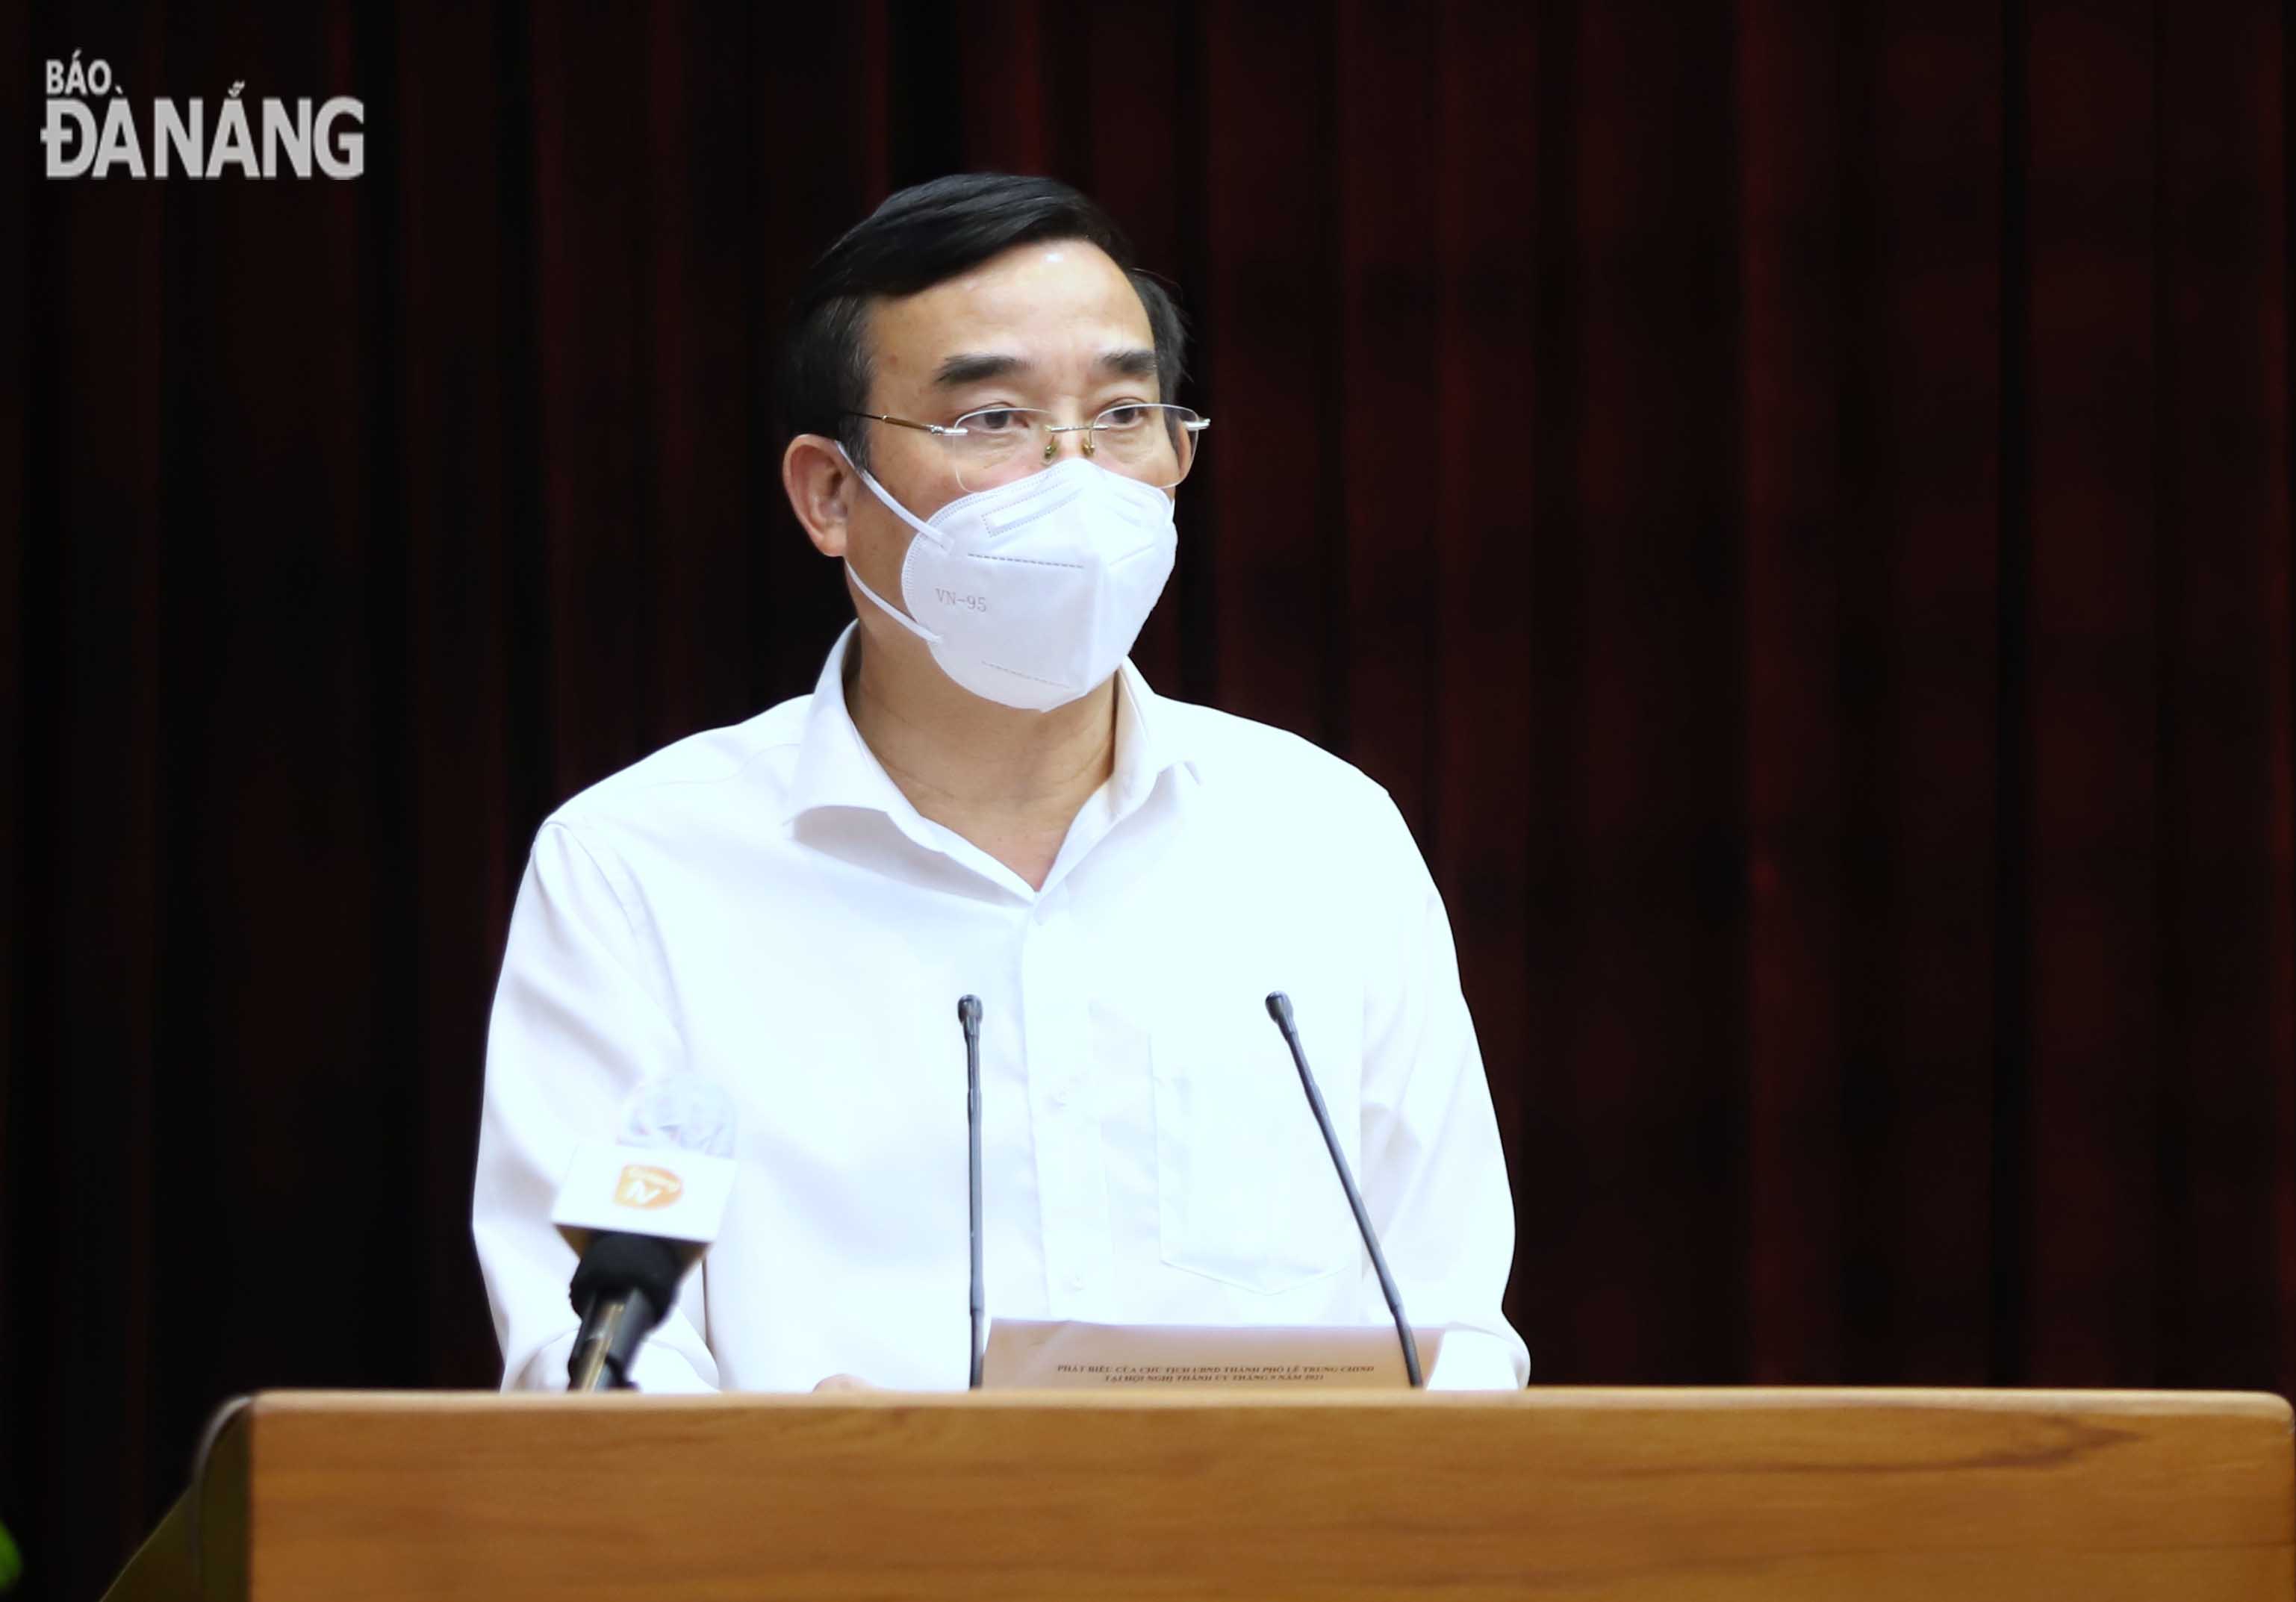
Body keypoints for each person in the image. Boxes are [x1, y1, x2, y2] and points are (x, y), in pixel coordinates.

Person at [472, 172, 1530, 1393]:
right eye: (995, 422)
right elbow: (597, 1370)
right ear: (829, 494)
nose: (1078, 477)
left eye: (1126, 413)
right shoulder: (638, 871)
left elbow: (1455, 1337)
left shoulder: (1325, 840)